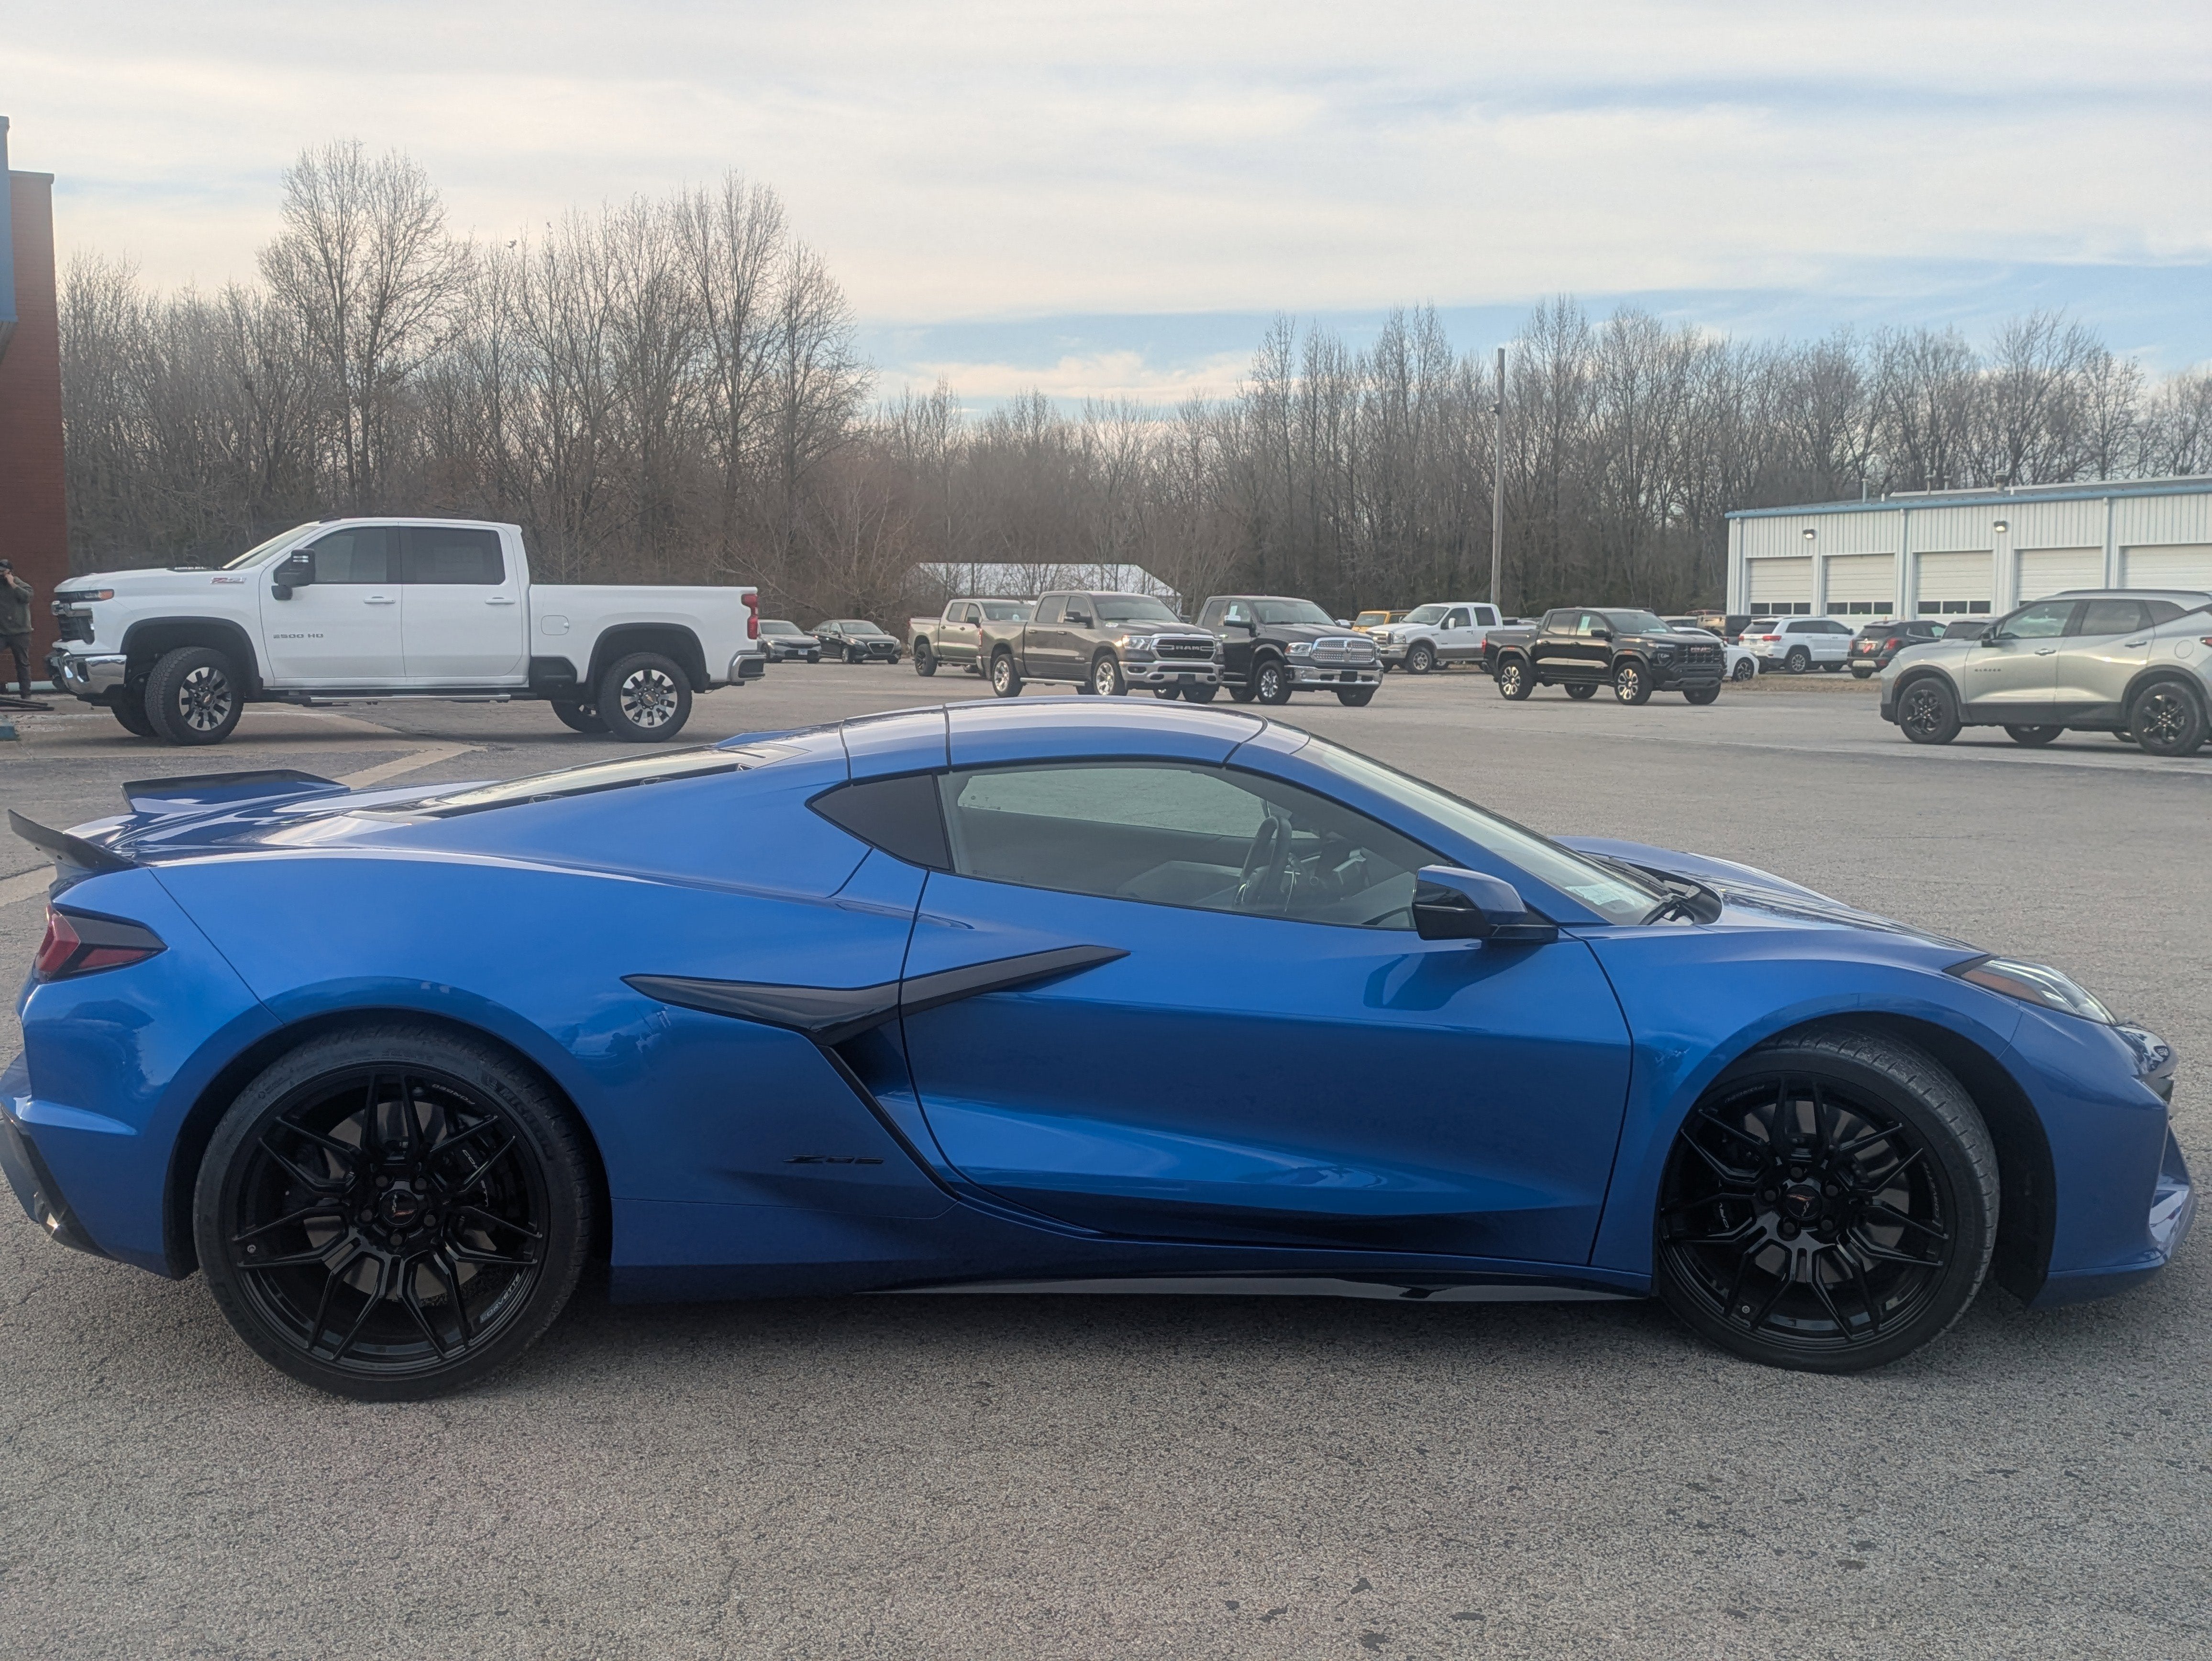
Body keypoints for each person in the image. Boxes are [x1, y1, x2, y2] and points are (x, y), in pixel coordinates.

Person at [0, 558, 33, 699]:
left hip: (20, 633)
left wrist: (12, 584)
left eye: (3, 571)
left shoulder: (20, 585)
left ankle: (26, 695)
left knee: (22, 663)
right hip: (2, 632)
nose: (0, 574)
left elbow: (28, 597)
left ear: (10, 572)